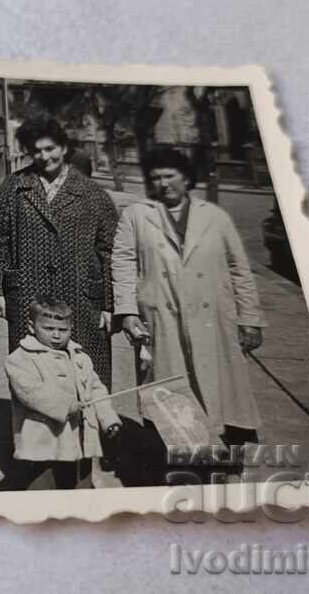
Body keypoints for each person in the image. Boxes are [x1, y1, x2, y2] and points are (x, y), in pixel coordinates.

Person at [111, 148, 267, 447]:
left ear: (186, 178)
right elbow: (123, 263)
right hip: (162, 316)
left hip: (213, 319)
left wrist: (249, 318)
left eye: (170, 176)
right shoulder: (137, 216)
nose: (163, 183)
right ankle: (180, 458)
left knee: (218, 390)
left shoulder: (215, 217)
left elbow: (239, 269)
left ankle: (220, 453)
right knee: (169, 392)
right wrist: (128, 311)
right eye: (156, 178)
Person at [0, 117, 119, 389]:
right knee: (33, 375)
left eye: (50, 149)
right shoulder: (13, 187)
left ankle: (88, 417)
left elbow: (109, 251)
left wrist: (110, 305)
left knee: (84, 373)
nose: (44, 157)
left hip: (80, 295)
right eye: (36, 151)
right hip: (28, 292)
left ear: (64, 148)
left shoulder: (93, 194)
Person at [4, 297, 122, 490]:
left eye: (63, 330)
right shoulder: (20, 359)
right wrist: (68, 405)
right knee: (43, 489)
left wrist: (108, 419)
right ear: (32, 327)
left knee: (81, 486)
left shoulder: (81, 358)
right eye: (48, 329)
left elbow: (96, 389)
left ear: (71, 328)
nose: (56, 336)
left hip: (81, 437)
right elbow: (32, 393)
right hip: (44, 439)